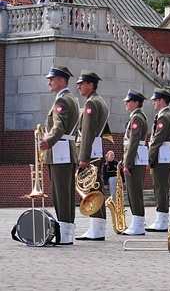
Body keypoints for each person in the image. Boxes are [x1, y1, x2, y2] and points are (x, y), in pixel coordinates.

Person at [38, 64, 79, 245]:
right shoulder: (72, 98)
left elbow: (58, 127)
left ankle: (63, 234)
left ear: (62, 81)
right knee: (67, 193)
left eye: (52, 79)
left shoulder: (61, 100)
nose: (49, 82)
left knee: (60, 193)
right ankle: (67, 231)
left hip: (59, 150)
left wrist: (48, 141)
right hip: (67, 150)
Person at [74, 70, 109, 241]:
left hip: (90, 152)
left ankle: (96, 229)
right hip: (95, 151)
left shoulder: (91, 103)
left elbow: (88, 132)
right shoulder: (98, 101)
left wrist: (83, 157)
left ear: (91, 85)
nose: (78, 86)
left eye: (82, 83)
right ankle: (98, 227)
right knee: (96, 188)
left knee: (92, 189)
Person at [146, 88, 170, 232]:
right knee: (161, 187)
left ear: (162, 101)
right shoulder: (167, 115)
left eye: (155, 100)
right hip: (164, 155)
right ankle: (161, 218)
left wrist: (149, 157)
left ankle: (161, 219)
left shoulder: (164, 117)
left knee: (160, 187)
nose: (153, 103)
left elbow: (157, 139)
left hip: (161, 156)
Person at [121, 89, 149, 236]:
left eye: (129, 101)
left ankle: (138, 224)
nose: (126, 103)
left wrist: (127, 163)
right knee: (133, 192)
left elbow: (133, 142)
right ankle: (136, 222)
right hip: (135, 159)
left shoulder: (137, 118)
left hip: (135, 160)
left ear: (136, 103)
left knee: (134, 192)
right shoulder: (136, 117)